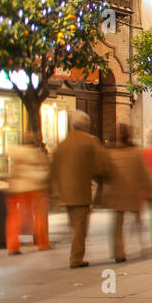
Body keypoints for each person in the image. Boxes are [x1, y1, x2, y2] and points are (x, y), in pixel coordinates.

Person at [50, 110, 109, 268]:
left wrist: (55, 192)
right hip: (81, 191)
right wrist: (101, 179)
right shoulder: (90, 141)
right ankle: (76, 258)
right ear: (86, 124)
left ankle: (75, 254)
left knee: (74, 225)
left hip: (65, 193)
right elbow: (101, 165)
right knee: (79, 227)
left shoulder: (62, 144)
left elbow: (53, 168)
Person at [104, 123, 152, 262]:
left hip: (116, 193)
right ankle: (143, 246)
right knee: (138, 221)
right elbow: (143, 173)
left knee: (117, 225)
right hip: (133, 192)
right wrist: (149, 189)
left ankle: (119, 253)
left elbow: (105, 172)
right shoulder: (136, 152)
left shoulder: (111, 152)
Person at [5, 134, 51, 254]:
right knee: (39, 216)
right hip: (35, 187)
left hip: (17, 188)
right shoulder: (37, 155)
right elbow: (44, 171)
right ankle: (42, 243)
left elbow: (13, 172)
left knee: (14, 217)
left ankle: (12, 246)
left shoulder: (16, 154)